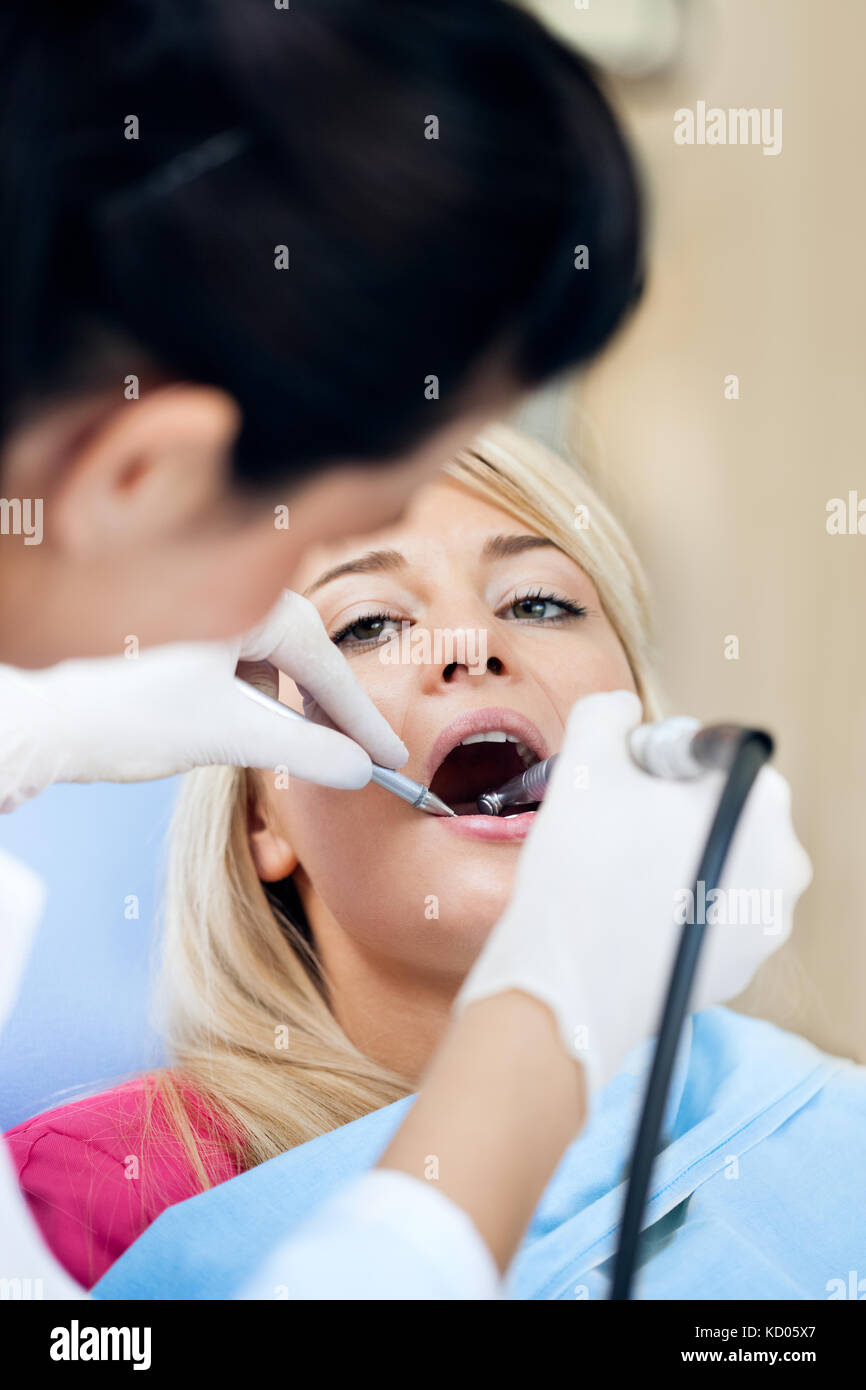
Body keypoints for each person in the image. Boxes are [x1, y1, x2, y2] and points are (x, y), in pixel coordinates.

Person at [9, 428, 846, 1303]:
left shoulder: (829, 1132)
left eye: (538, 603)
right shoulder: (77, 1196)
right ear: (263, 816)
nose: (469, 646)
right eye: (369, 624)